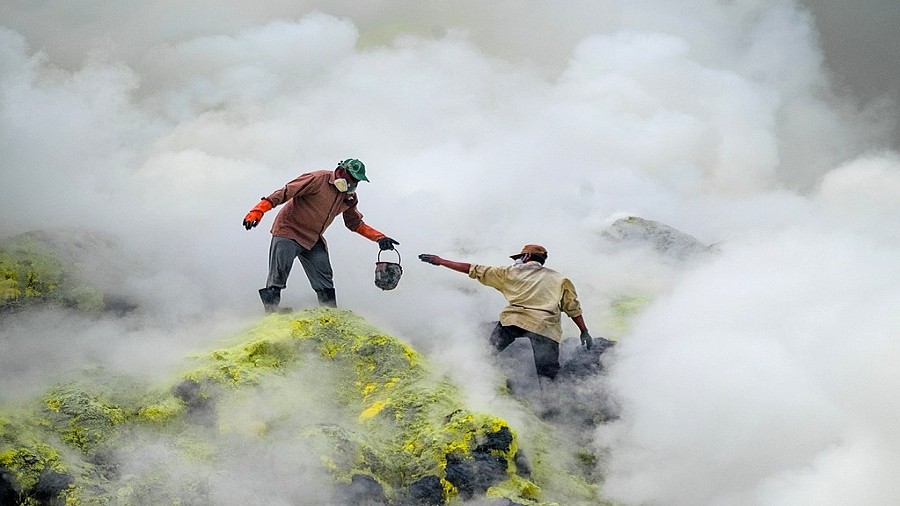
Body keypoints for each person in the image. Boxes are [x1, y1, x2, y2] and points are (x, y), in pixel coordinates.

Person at [419, 244, 610, 381]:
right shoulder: (561, 279)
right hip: (546, 327)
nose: (517, 261)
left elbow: (473, 269)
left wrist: (440, 261)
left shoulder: (510, 272)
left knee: (487, 354)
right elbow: (573, 308)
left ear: (526, 257)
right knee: (548, 375)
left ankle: (468, 380)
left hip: (513, 321)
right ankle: (552, 408)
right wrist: (584, 331)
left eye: (519, 257)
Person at [242, 159, 399, 312]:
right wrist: (258, 211)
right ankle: (271, 312)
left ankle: (330, 313)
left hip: (313, 238)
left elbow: (354, 223)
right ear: (341, 172)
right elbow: (285, 192)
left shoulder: (349, 197)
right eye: (352, 179)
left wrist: (380, 237)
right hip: (288, 230)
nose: (354, 184)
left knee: (325, 278)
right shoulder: (317, 179)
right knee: (279, 273)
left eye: (357, 182)